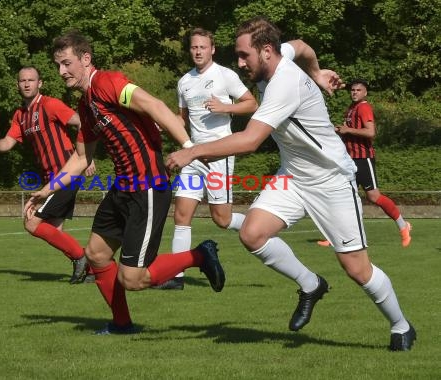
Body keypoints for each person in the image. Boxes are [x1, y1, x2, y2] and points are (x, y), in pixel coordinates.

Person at [166, 16, 416, 351]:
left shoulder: (284, 83)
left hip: (331, 181)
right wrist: (317, 72)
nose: (240, 63)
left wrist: (193, 152)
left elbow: (251, 140)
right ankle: (310, 284)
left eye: (244, 56)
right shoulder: (278, 55)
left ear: (265, 51)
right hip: (293, 177)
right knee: (252, 233)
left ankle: (401, 326)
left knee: (357, 269)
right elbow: (301, 46)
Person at [25, 31, 226, 335]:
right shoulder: (86, 105)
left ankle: (200, 255)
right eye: (58, 65)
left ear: (86, 59)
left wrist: (188, 146)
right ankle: (121, 324)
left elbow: (155, 105)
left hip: (147, 188)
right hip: (122, 189)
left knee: (132, 279)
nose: (61, 71)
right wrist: (47, 189)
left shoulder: (107, 82)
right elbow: (81, 158)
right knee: (95, 254)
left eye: (67, 63)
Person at [154, 28, 258, 291]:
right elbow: (181, 118)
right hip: (192, 156)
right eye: (193, 47)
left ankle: (259, 225)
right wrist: (162, 125)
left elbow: (251, 103)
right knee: (181, 215)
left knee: (221, 219)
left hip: (218, 155)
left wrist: (226, 108)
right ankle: (175, 276)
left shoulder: (225, 75)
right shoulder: (184, 81)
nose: (198, 51)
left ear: (212, 49)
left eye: (202, 47)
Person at [0, 66, 94, 284]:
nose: (26, 84)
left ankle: (82, 258)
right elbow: (8, 141)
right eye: (22, 80)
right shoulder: (20, 116)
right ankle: (92, 270)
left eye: (31, 80)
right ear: (18, 85)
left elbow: (82, 122)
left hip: (66, 173)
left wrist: (86, 156)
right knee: (54, 230)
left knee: (31, 222)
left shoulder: (50, 105)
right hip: (50, 177)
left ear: (39, 83)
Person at [317, 79, 411, 248]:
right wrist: (338, 130)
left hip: (363, 159)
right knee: (343, 197)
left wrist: (347, 130)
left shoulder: (364, 107)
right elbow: (349, 130)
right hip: (349, 159)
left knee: (374, 196)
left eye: (358, 90)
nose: (354, 92)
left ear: (365, 92)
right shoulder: (351, 108)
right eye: (352, 90)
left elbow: (370, 132)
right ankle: (335, 237)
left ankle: (403, 226)